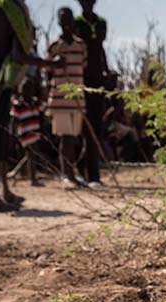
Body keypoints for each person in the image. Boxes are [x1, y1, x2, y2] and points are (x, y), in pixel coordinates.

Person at [0, 0, 54, 212]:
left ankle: (5, 192)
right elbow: (18, 55)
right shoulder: (15, 11)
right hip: (1, 75)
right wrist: (48, 65)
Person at [47, 6, 87, 188]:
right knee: (65, 138)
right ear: (59, 22)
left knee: (74, 136)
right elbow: (46, 68)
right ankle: (66, 174)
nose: (66, 23)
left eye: (68, 19)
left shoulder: (81, 46)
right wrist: (55, 64)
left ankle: (72, 173)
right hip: (60, 98)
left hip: (77, 97)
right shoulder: (55, 46)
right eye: (62, 19)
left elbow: (83, 66)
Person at [74, 0, 107, 187]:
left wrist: (106, 70)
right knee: (82, 128)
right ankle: (81, 170)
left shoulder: (101, 22)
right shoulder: (76, 23)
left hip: (97, 79)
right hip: (80, 79)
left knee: (96, 126)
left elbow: (100, 49)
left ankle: (93, 173)